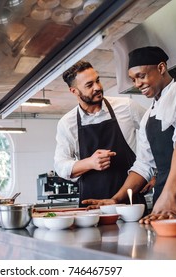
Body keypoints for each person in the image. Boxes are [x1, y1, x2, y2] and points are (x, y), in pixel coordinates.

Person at [83, 46, 176, 223]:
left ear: (161, 68)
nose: (137, 84)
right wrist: (116, 199)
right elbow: (144, 165)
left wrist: (170, 194)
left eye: (141, 76)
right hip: (164, 207)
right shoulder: (148, 116)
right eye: (133, 79)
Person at [54, 60, 148, 207]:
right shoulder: (67, 123)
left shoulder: (127, 107)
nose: (97, 87)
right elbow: (60, 166)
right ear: (74, 91)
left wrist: (155, 174)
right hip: (92, 207)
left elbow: (156, 134)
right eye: (89, 85)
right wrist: (90, 163)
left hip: (130, 202)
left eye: (97, 80)